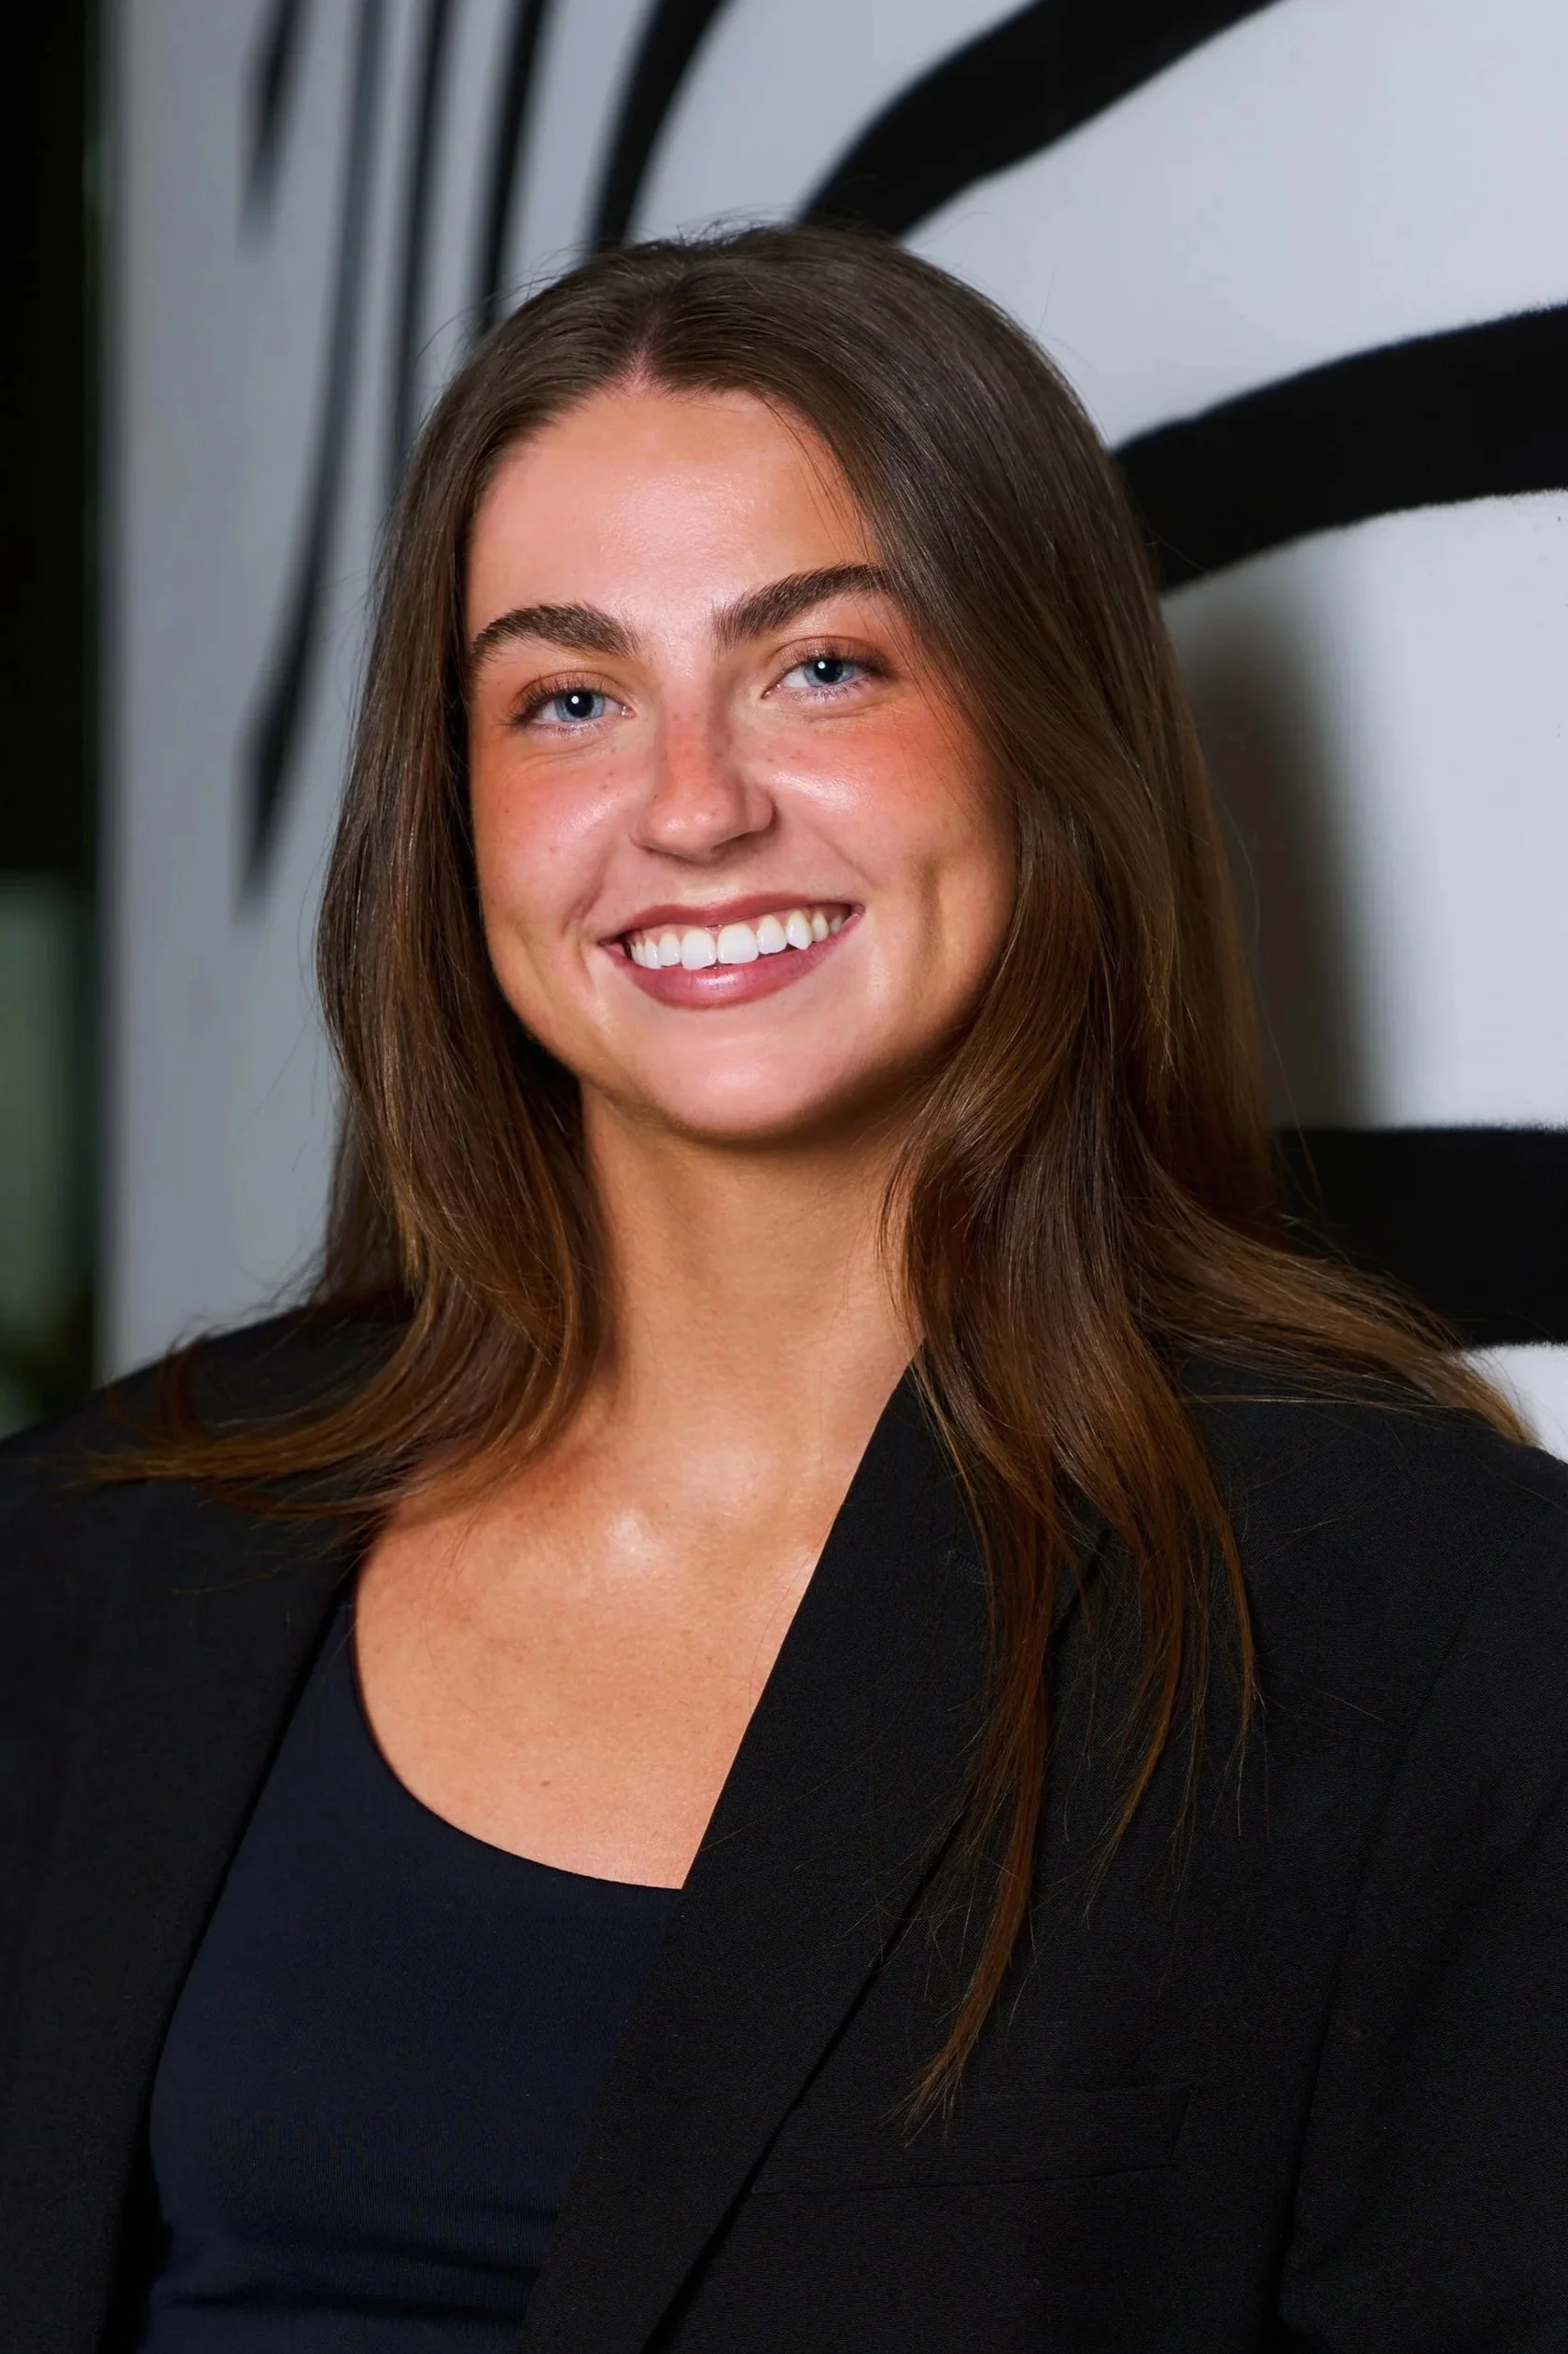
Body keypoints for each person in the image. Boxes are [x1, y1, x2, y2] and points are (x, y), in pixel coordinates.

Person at [3, 226, 1566, 2353]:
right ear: (452, 817)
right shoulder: (96, 1548)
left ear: (1042, 726)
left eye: (822, 666)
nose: (695, 808)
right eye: (569, 699)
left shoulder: (1426, 1620)